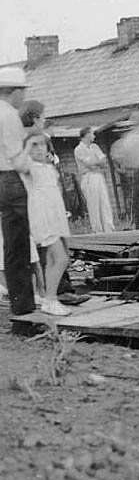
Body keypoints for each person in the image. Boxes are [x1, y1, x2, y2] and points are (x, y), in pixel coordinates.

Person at [0, 67, 36, 318]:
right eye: (22, 92)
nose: (23, 97)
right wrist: (32, 145)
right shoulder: (10, 116)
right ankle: (29, 305)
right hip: (13, 179)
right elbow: (18, 160)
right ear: (13, 91)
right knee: (27, 241)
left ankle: (20, 306)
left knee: (12, 246)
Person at [23, 133, 72, 316]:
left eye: (42, 145)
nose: (39, 149)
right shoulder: (28, 166)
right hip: (43, 217)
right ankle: (51, 299)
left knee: (54, 259)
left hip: (55, 215)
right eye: (34, 146)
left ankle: (49, 299)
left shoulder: (47, 166)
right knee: (61, 258)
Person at [74, 127, 117, 232]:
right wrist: (97, 162)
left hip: (98, 175)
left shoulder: (95, 147)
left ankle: (109, 230)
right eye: (92, 134)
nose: (94, 136)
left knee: (104, 203)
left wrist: (97, 162)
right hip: (88, 176)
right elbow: (89, 164)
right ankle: (98, 231)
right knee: (94, 205)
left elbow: (103, 163)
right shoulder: (79, 149)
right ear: (87, 135)